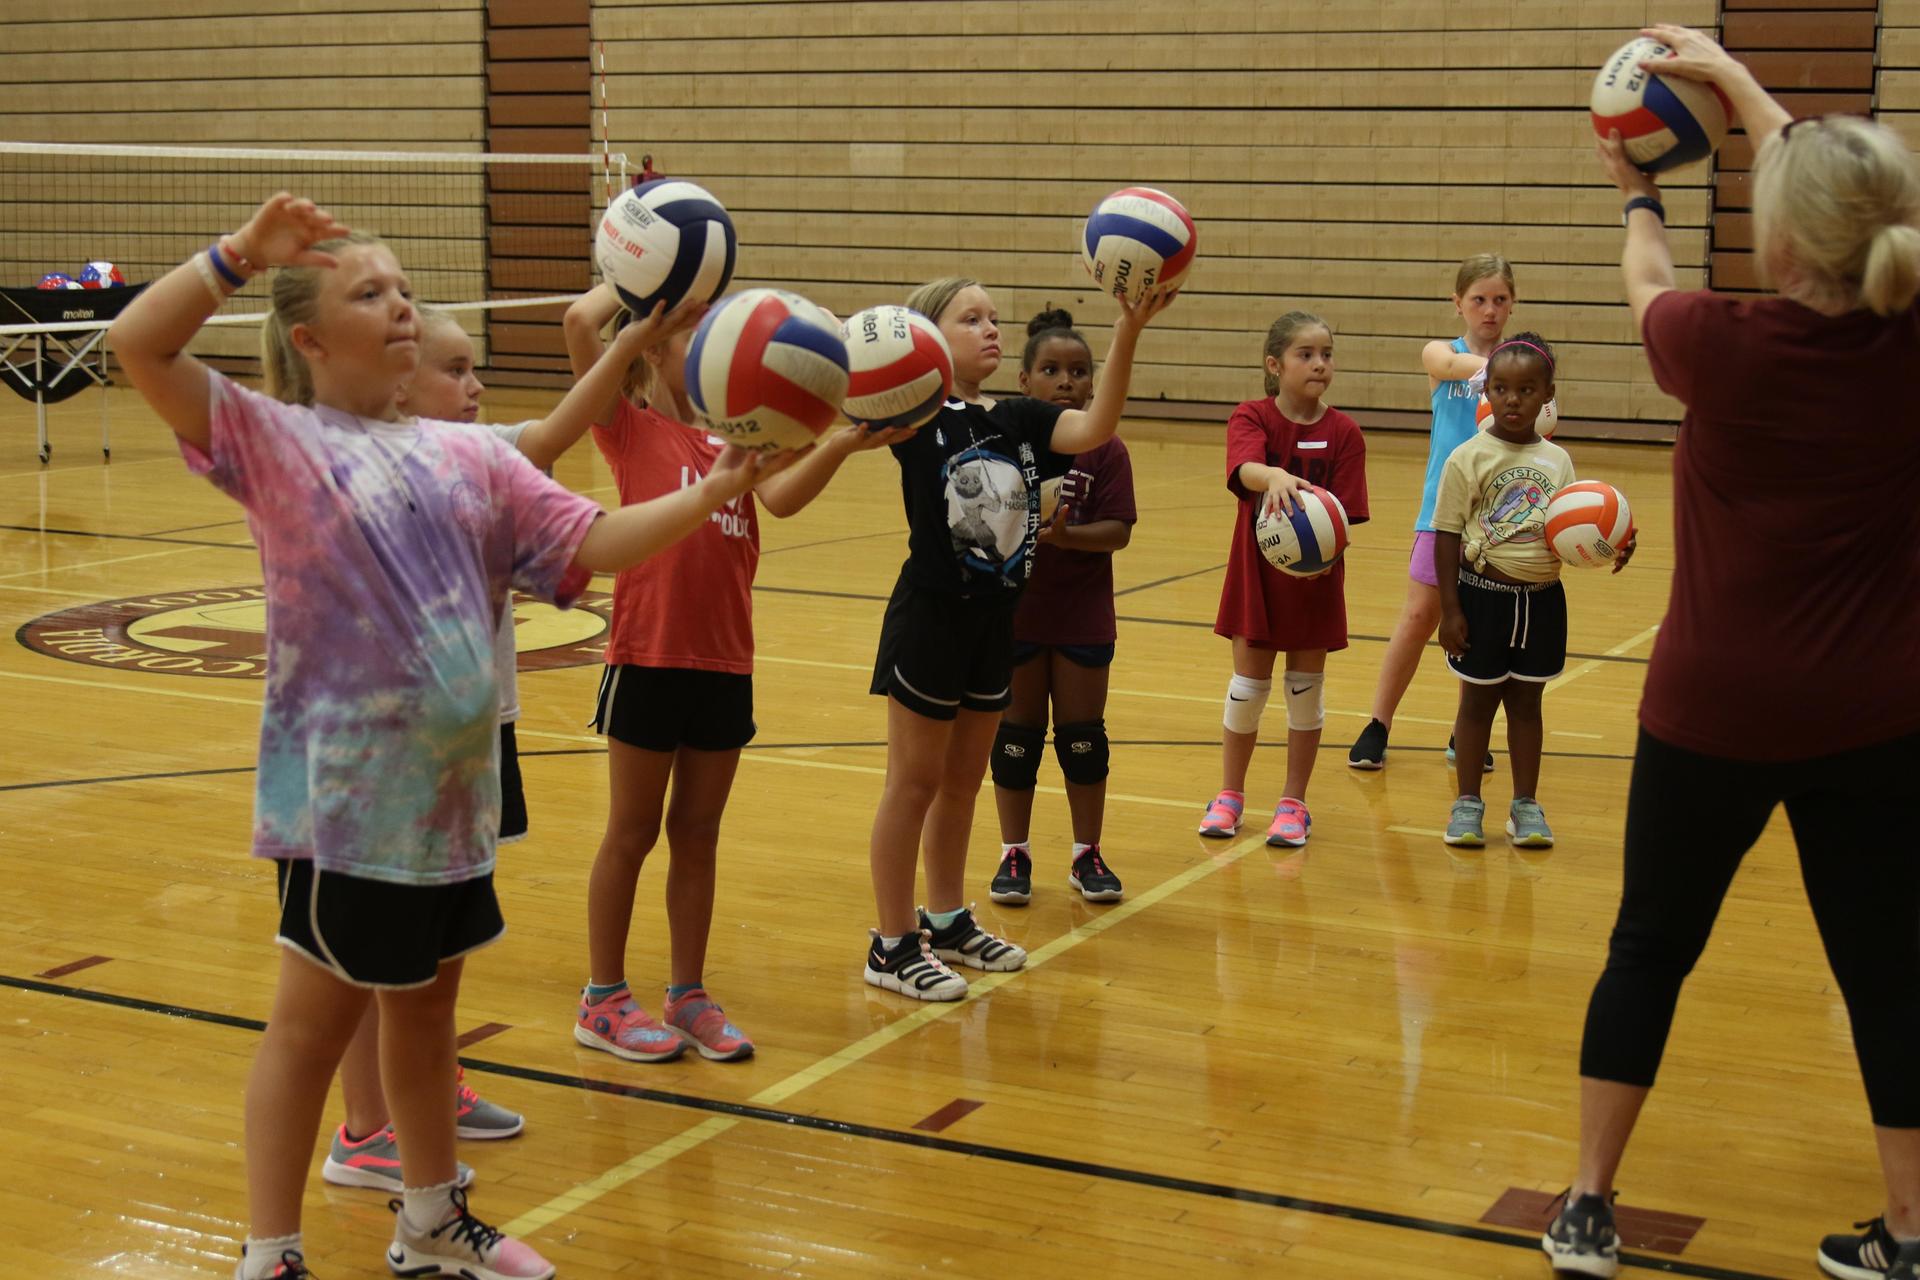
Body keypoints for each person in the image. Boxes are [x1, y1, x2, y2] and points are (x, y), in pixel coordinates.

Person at [108, 194, 787, 1280]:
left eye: (405, 290)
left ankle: (430, 1219)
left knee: (427, 1018)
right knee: (310, 1030)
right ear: (310, 341)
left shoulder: (471, 456)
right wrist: (237, 252)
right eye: (367, 292)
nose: (400, 306)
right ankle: (270, 1251)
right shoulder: (280, 442)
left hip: (450, 809)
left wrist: (709, 491)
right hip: (346, 811)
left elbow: (598, 539)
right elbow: (136, 343)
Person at [1540, 25, 1920, 1280]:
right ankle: (1913, 1232)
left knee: (1650, 943)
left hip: (1709, 708)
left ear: (1785, 236)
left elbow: (1645, 275)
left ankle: (1589, 1206)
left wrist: (1639, 184)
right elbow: (1835, 193)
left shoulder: (1717, 340)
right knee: (1886, 969)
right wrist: (1747, 88)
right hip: (1878, 716)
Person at [317, 303, 701, 1190]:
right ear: (397, 376)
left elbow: (559, 430)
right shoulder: (373, 471)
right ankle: (366, 1129)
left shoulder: (475, 457)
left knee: (439, 948)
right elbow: (562, 425)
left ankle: (422, 1084)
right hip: (394, 753)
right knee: (383, 948)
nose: (477, 385)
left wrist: (638, 341)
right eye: (455, 370)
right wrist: (628, 329)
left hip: (477, 733)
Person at [563, 283, 911, 1061]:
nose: (716, 345)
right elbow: (581, 325)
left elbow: (781, 499)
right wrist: (647, 293)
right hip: (648, 657)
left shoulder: (743, 443)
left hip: (725, 661)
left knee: (698, 833)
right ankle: (603, 998)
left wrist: (845, 441)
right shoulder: (631, 429)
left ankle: (686, 993)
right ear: (655, 347)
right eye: (697, 334)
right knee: (631, 831)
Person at [865, 276, 1172, 1000]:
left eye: (993, 317)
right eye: (971, 319)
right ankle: (890, 942)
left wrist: (1128, 329)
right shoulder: (914, 418)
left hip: (995, 618)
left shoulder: (1017, 417)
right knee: (912, 785)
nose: (991, 329)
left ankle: (944, 920)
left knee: (962, 783)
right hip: (932, 619)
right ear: (930, 337)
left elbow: (1094, 426)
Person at [1197, 310, 1368, 847]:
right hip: (1257, 580)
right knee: (1247, 690)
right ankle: (1230, 795)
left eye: (1326, 354)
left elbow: (1347, 517)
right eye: (1306, 354)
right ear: (1274, 364)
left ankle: (1294, 802)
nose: (1320, 364)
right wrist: (1271, 474)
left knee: (1303, 691)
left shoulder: (1344, 432)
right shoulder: (1251, 417)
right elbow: (1245, 470)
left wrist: (1321, 549)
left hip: (1314, 583)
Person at [987, 308, 1137, 905]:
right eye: (1051, 370)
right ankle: (1014, 853)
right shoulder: (1001, 438)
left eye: (1078, 371)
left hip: (1081, 613)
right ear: (1024, 381)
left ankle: (1086, 853)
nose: (1067, 381)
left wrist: (1065, 535)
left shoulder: (1105, 449)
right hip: (1015, 611)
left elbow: (1119, 531)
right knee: (1016, 736)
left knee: (1081, 736)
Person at [1348, 254, 1519, 773]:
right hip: (1441, 514)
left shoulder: (1522, 362)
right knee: (1420, 617)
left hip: (1499, 521)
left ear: (1512, 303)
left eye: (1500, 300)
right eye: (1479, 300)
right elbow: (1447, 367)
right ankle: (1378, 723)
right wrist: (1505, 371)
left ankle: (1464, 731)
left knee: (1484, 628)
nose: (1490, 311)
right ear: (1458, 304)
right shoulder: (1443, 353)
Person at [1431, 334, 1591, 849]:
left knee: (1527, 705)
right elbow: (1447, 534)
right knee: (1476, 705)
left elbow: (1571, 528)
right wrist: (1450, 607)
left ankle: (1525, 806)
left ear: (1548, 395)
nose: (1512, 399)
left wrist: (1608, 546)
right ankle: (1467, 804)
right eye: (1500, 388)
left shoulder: (1558, 462)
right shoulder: (1467, 456)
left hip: (1542, 600)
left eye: (1526, 389)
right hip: (1481, 598)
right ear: (1487, 393)